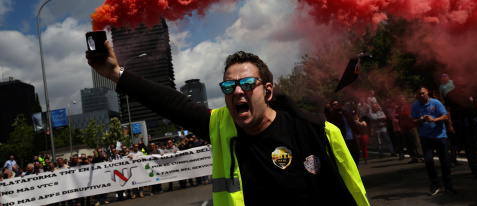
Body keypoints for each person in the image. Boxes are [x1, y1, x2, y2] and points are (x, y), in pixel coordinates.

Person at [86, 43, 369, 205]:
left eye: (247, 84)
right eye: (228, 86)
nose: (237, 92)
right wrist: (115, 73)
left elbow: (354, 193)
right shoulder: (222, 125)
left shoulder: (316, 131)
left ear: (268, 92)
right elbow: (171, 102)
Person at [411, 87, 456, 195]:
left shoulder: (436, 103)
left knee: (445, 162)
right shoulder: (415, 105)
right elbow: (413, 120)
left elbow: (445, 116)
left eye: (423, 93)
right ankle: (435, 185)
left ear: (427, 93)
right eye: (419, 94)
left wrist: (434, 119)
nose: (421, 96)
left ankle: (448, 186)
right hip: (425, 137)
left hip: (440, 136)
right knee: (429, 161)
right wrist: (420, 120)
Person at [444, 77, 477, 178]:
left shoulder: (470, 91)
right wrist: (450, 125)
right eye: (458, 81)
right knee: (469, 147)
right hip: (461, 124)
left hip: (474, 122)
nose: (460, 82)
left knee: (474, 145)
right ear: (455, 83)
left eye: (462, 80)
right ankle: (475, 170)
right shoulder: (450, 94)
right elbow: (448, 111)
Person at [329, 101, 360, 165]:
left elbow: (353, 124)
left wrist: (358, 132)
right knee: (346, 157)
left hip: (352, 137)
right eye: (334, 104)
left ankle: (355, 167)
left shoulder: (346, 113)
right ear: (332, 106)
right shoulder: (332, 116)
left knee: (356, 155)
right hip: (343, 139)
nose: (336, 105)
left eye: (337, 104)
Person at [395, 95, 423, 164]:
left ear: (405, 100)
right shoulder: (398, 108)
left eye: (402, 99)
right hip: (403, 128)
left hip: (411, 126)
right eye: (400, 100)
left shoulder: (410, 106)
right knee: (408, 143)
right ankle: (413, 157)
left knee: (416, 142)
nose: (401, 101)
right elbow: (397, 117)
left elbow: (413, 115)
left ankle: (421, 156)